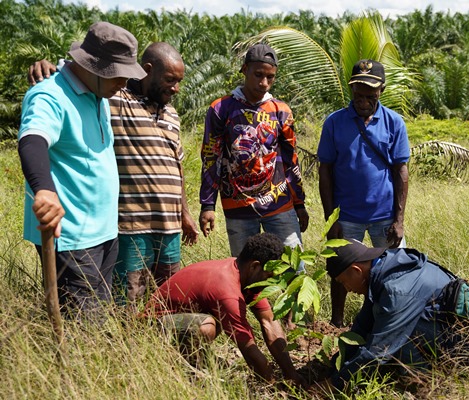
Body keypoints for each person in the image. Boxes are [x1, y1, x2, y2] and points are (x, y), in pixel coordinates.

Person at [28, 43, 200, 305]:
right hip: (133, 223)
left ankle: (161, 342)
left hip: (170, 225)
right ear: (147, 71)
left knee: (168, 295)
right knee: (127, 297)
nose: (175, 88)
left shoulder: (172, 115)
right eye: (169, 79)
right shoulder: (116, 100)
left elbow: (177, 167)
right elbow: (86, 77)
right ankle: (127, 342)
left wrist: (185, 214)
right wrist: (49, 65)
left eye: (179, 82)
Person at [18, 22, 147, 320]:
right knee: (85, 328)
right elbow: (32, 140)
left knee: (100, 316)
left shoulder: (99, 93)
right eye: (120, 74)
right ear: (95, 68)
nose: (124, 84)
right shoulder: (49, 95)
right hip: (73, 238)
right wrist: (45, 190)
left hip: (104, 232)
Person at [314, 239, 469, 393]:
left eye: (344, 283)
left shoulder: (397, 291)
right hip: (440, 322)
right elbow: (362, 325)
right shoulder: (384, 267)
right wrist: (335, 365)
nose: (348, 289)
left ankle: (427, 384)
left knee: (396, 337)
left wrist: (332, 386)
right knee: (382, 324)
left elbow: (379, 350)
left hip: (463, 339)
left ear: (356, 270)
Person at [317, 59, 410, 327]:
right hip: (346, 217)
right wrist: (331, 219)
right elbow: (326, 172)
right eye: (358, 91)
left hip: (384, 215)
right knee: (340, 269)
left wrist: (399, 219)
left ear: (381, 90)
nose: (363, 98)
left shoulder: (394, 123)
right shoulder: (335, 123)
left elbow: (401, 172)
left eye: (370, 93)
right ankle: (336, 322)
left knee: (391, 272)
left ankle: (385, 323)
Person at [146, 232, 305, 386]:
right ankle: (183, 367)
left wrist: (291, 373)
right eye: (269, 276)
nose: (271, 282)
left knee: (214, 322)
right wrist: (271, 384)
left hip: (180, 322)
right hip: (152, 328)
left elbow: (269, 322)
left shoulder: (247, 278)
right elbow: (247, 346)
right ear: (255, 266)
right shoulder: (226, 287)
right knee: (207, 326)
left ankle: (196, 360)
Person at [199, 43, 309, 257]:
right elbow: (211, 158)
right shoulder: (221, 109)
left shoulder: (281, 111)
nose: (264, 83)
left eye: (271, 77)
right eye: (258, 75)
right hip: (238, 208)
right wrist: (207, 205)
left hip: (279, 204)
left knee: (294, 268)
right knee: (245, 274)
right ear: (244, 69)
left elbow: (291, 160)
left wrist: (299, 203)